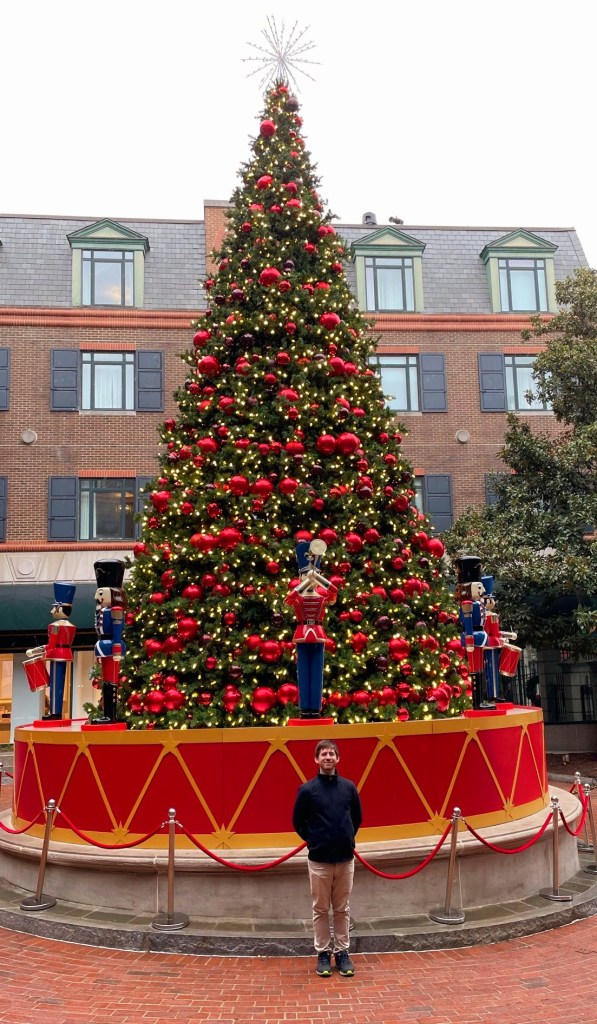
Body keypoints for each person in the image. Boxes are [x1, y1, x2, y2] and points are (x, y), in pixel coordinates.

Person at [292, 739, 362, 977]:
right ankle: (323, 952)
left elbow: (357, 818)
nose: (328, 757)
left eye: (332, 753)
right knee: (321, 909)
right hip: (319, 861)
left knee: (342, 909)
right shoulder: (307, 790)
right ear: (316, 759)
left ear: (338, 758)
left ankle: (342, 952)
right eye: (323, 754)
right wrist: (314, 839)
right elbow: (297, 821)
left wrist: (345, 838)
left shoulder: (349, 787)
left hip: (345, 860)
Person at [285, 539, 337, 718]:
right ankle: (304, 707)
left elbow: (334, 592)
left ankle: (315, 707)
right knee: (303, 671)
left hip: (318, 634)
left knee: (316, 672)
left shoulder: (322, 598)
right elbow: (289, 599)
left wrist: (318, 578)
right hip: (302, 634)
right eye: (305, 575)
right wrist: (306, 582)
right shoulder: (297, 597)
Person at [25, 581, 76, 720]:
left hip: (56, 654)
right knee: (60, 683)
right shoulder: (71, 626)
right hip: (66, 654)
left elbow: (51, 645)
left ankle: (55, 712)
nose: (52, 610)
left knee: (55, 684)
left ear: (60, 608)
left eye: (54, 607)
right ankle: (56, 712)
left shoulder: (55, 626)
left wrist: (35, 651)